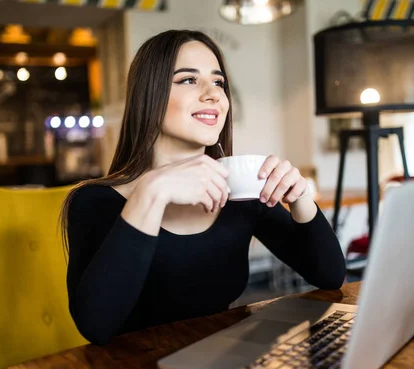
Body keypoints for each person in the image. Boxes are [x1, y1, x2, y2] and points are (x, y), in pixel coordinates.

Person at [61, 30, 346, 345]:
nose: (213, 94)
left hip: (223, 365)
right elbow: (96, 327)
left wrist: (302, 196)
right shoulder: (94, 202)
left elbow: (330, 277)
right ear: (149, 95)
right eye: (188, 80)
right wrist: (150, 194)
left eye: (219, 82)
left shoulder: (240, 193)